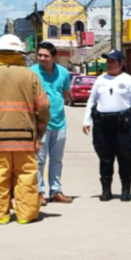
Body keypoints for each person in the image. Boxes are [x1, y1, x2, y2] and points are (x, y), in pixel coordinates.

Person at [0, 34, 50, 225]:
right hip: (26, 140)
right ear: (20, 53)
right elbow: (44, 107)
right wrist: (39, 132)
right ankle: (25, 215)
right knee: (26, 178)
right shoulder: (30, 76)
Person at [83, 49, 131, 202]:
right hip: (102, 124)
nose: (109, 64)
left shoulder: (129, 80)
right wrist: (86, 121)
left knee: (125, 157)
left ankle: (126, 189)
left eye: (112, 61)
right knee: (105, 158)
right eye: (108, 61)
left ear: (121, 64)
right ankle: (106, 190)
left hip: (123, 124)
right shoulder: (100, 80)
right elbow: (91, 101)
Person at [32, 40, 74, 205]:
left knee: (57, 160)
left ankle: (56, 190)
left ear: (54, 57)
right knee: (39, 161)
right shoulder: (32, 73)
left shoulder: (63, 73)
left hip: (59, 123)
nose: (42, 58)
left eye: (46, 56)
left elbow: (65, 94)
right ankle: (39, 192)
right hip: (39, 124)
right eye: (40, 55)